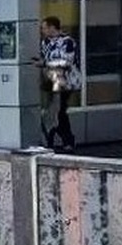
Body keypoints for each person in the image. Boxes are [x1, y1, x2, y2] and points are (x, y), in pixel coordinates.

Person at [32, 16, 81, 153]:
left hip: (65, 81)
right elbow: (46, 58)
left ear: (53, 27)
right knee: (49, 111)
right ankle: (51, 139)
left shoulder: (67, 42)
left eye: (44, 28)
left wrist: (44, 63)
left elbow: (67, 62)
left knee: (59, 111)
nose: (42, 30)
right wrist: (41, 62)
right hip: (50, 79)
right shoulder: (45, 42)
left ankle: (66, 140)